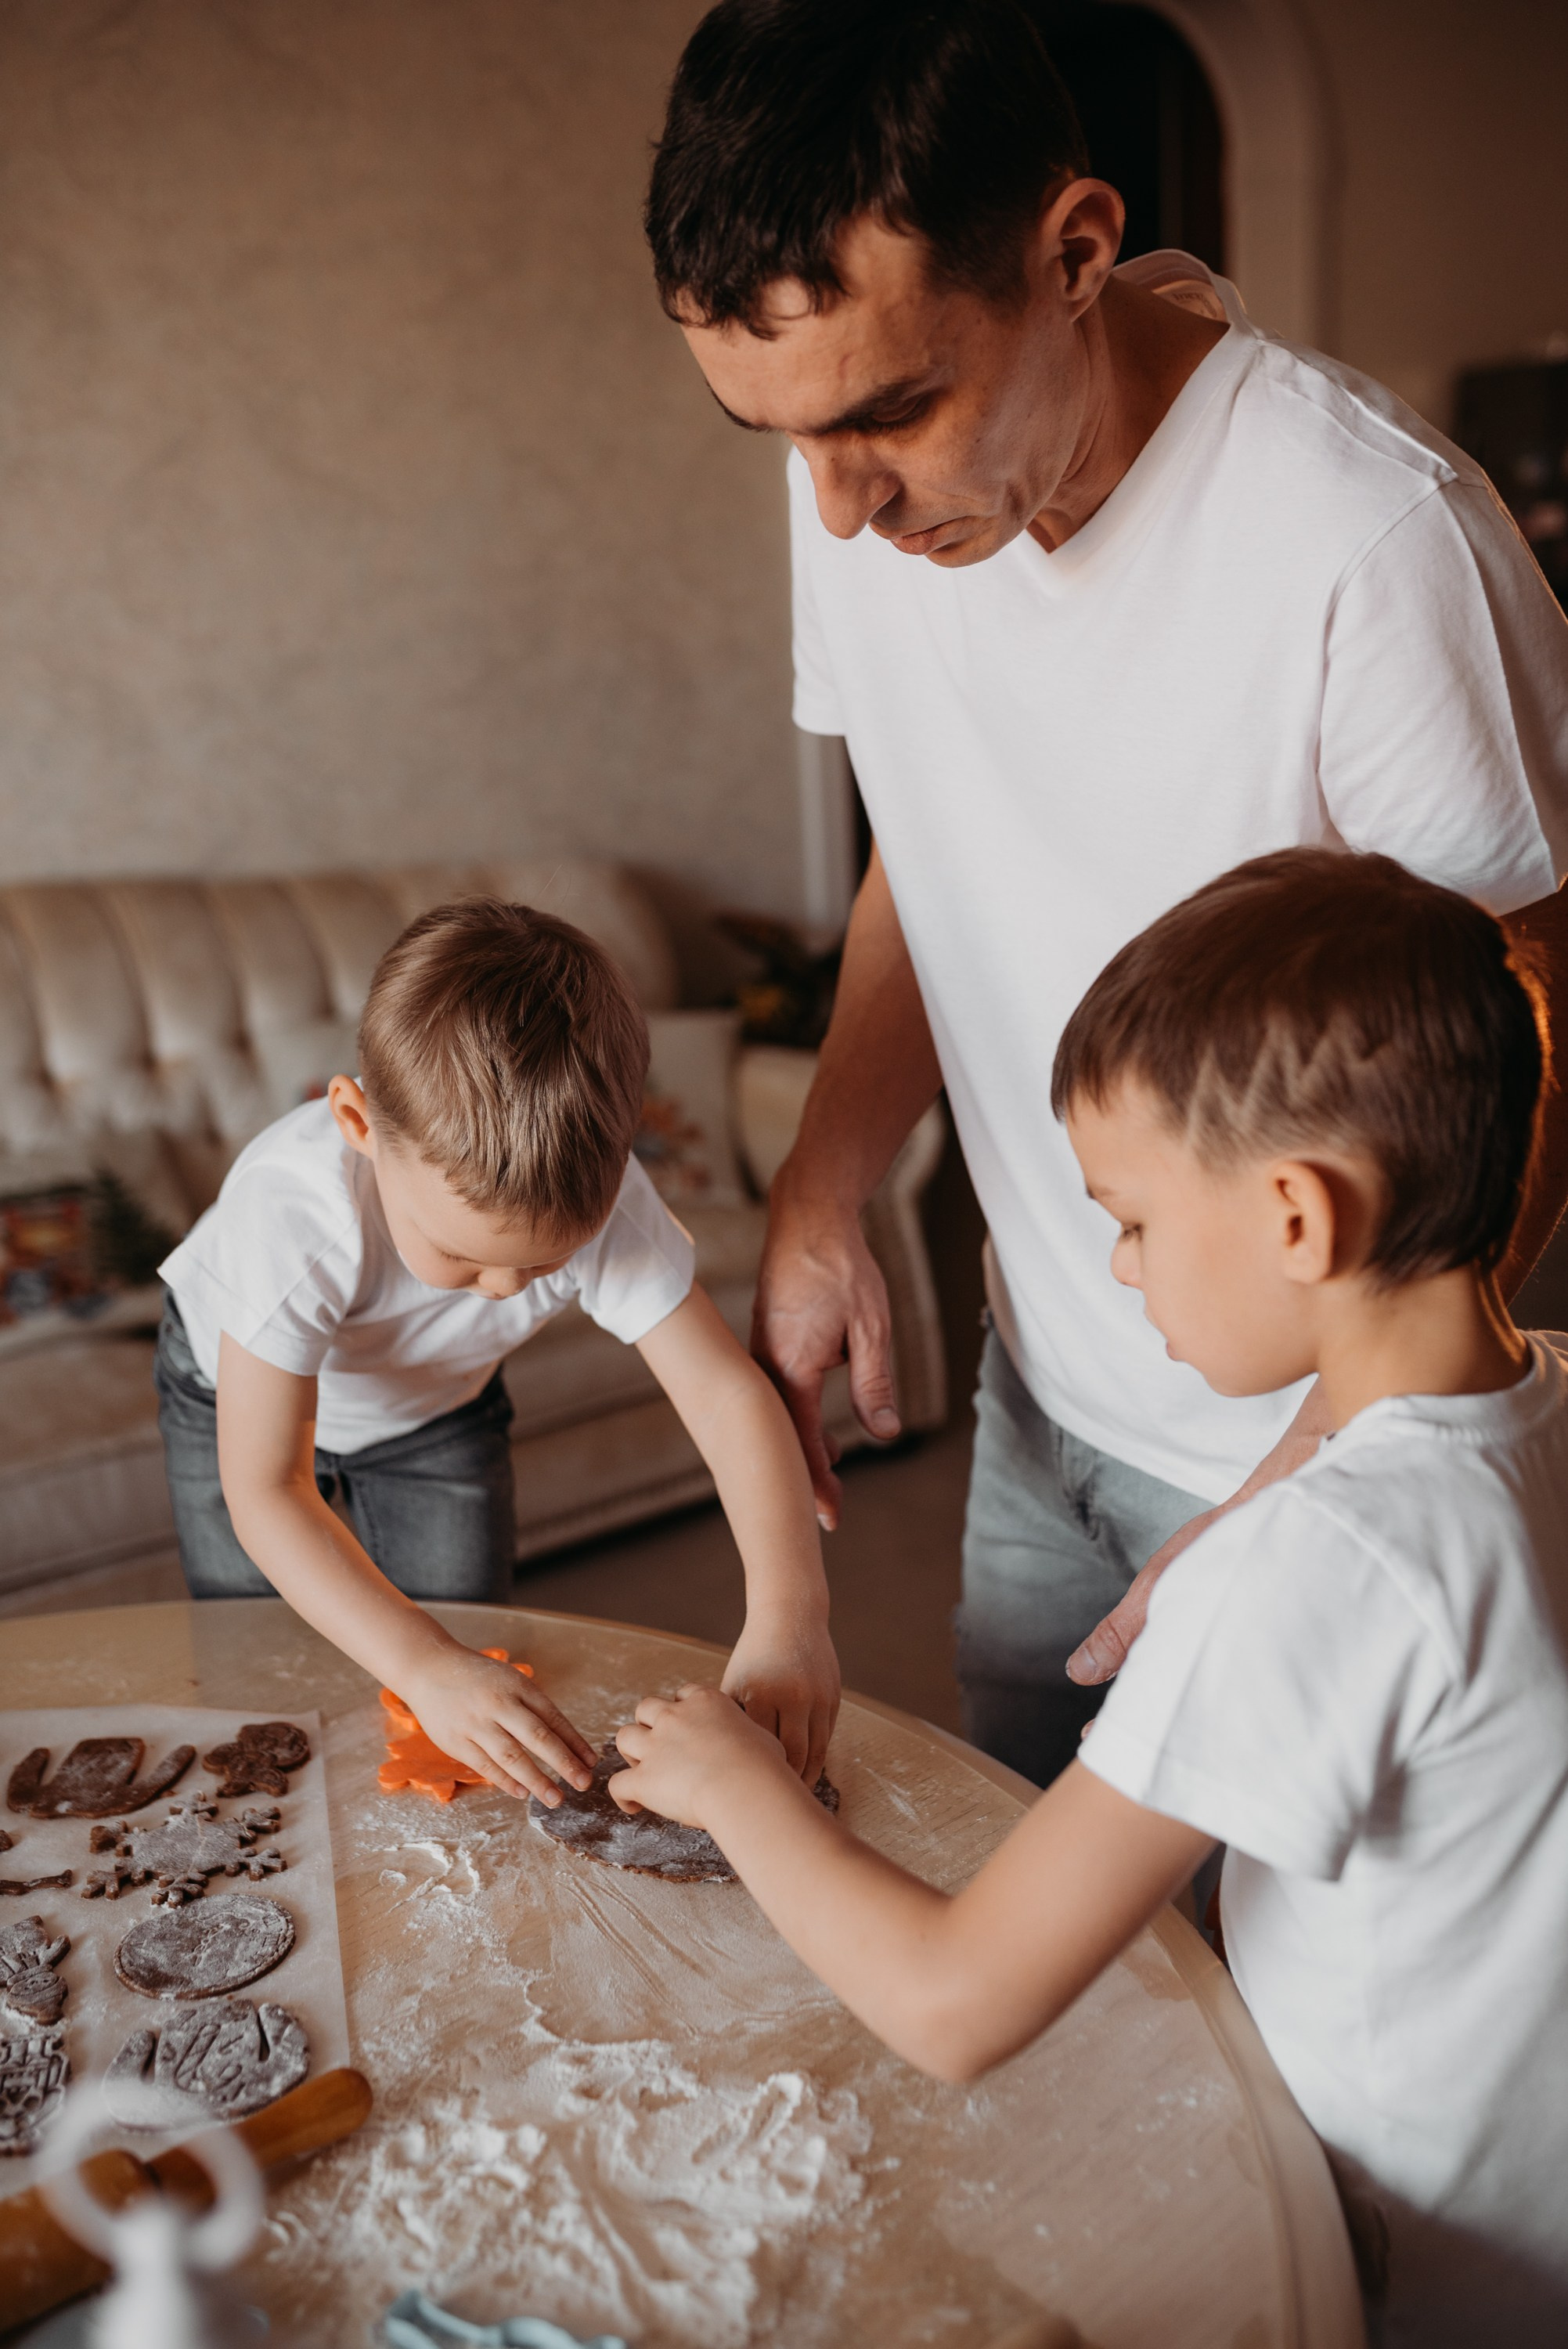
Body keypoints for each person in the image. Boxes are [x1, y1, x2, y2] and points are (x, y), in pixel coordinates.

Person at [644, 0, 1568, 1786]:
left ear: (1075, 250)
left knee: (1254, 2021)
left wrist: (1321, 1471)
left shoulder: (1374, 545)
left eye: (892, 413)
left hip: (1307, 1445)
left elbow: (1522, 1045)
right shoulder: (855, 479)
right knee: (1026, 1863)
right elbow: (939, 825)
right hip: (1041, 1374)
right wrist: (833, 1171)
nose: (838, 509)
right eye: (780, 436)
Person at [610, 849, 1568, 2347]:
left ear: (1298, 1221)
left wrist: (738, 1791)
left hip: (1396, 2276)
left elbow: (953, 2006)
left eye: (1127, 1216)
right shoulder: (1544, 1406)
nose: (1117, 1269)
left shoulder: (1305, 1564)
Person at [154, 897, 840, 1803]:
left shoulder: (608, 1198)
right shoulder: (292, 1219)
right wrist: (421, 1664)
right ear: (359, 1126)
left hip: (439, 1413)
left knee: (471, 1670)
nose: (508, 1293)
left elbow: (725, 1397)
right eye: (463, 1255)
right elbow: (266, 1488)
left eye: (546, 1261)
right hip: (232, 1411)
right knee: (266, 1667)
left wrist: (792, 1615)